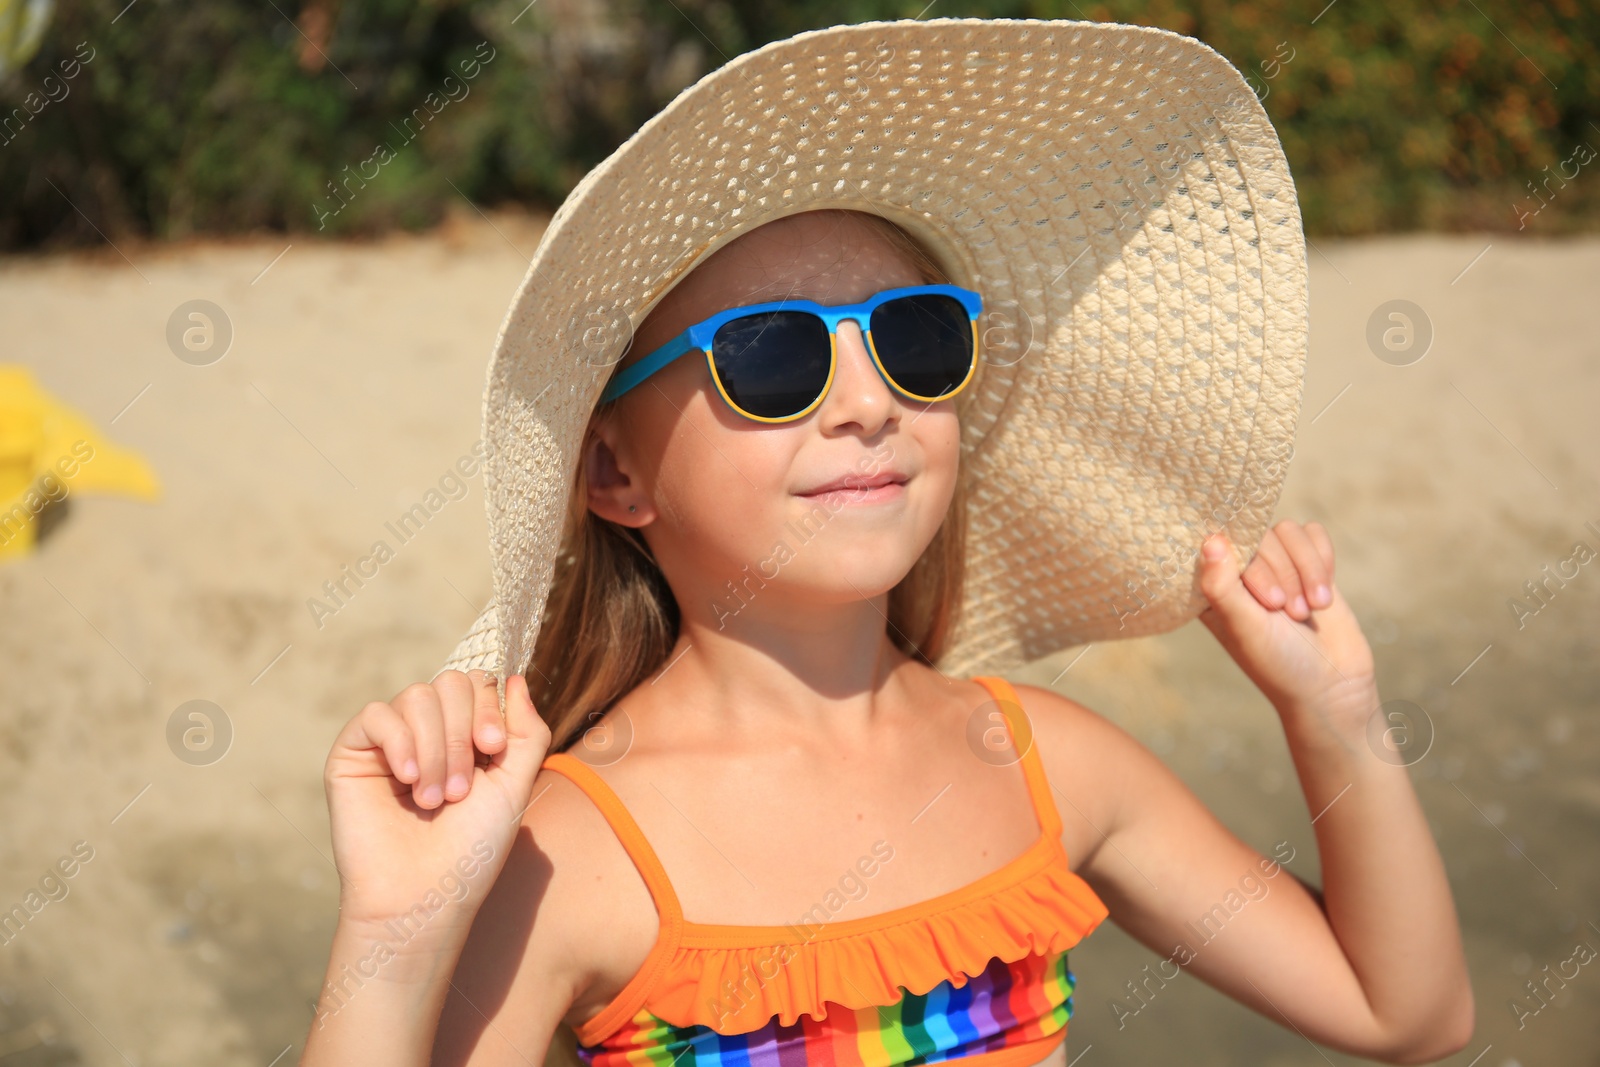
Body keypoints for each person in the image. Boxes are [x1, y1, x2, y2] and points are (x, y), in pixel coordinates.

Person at [300, 18, 1473, 1067]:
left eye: (914, 340)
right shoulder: (565, 849)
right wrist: (397, 939)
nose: (868, 401)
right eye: (771, 356)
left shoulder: (1048, 763)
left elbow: (1403, 1013)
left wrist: (1336, 719)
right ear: (614, 470)